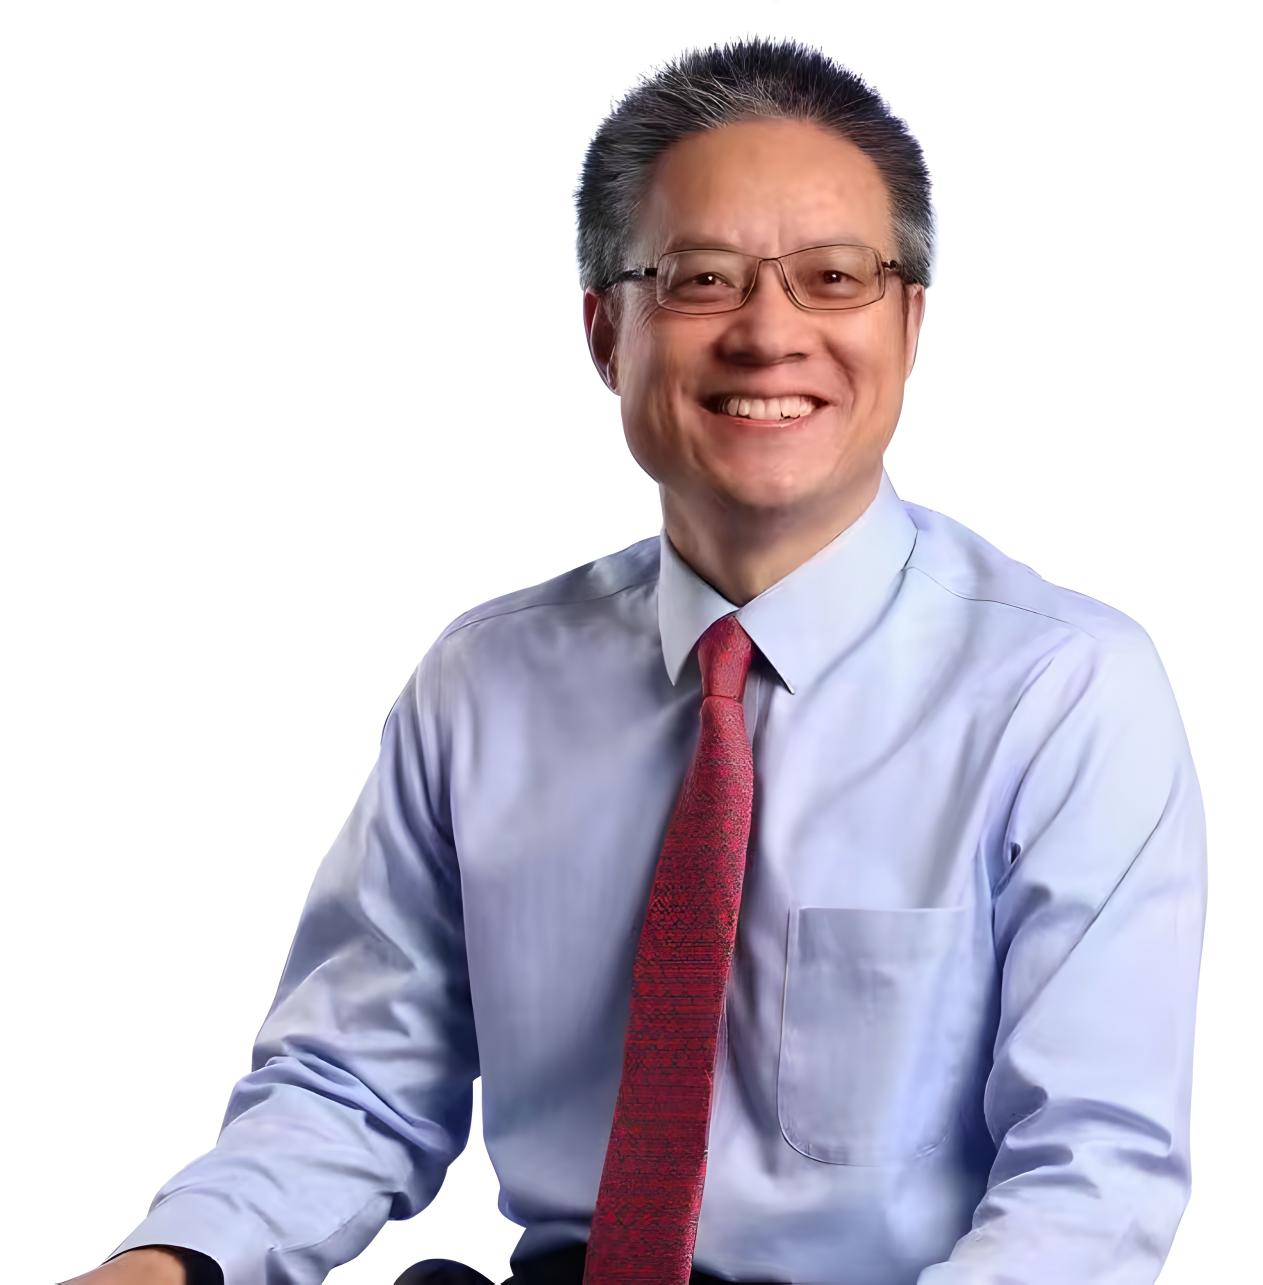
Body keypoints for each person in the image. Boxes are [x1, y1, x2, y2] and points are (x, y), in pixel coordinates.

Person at [63, 35, 1208, 1285]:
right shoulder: (485, 687)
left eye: (834, 278)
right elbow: (353, 1085)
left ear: (910, 324)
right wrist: (167, 1263)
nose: (770, 333)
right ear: (607, 332)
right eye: (703, 279)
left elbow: (1089, 1179)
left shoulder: (1064, 693)